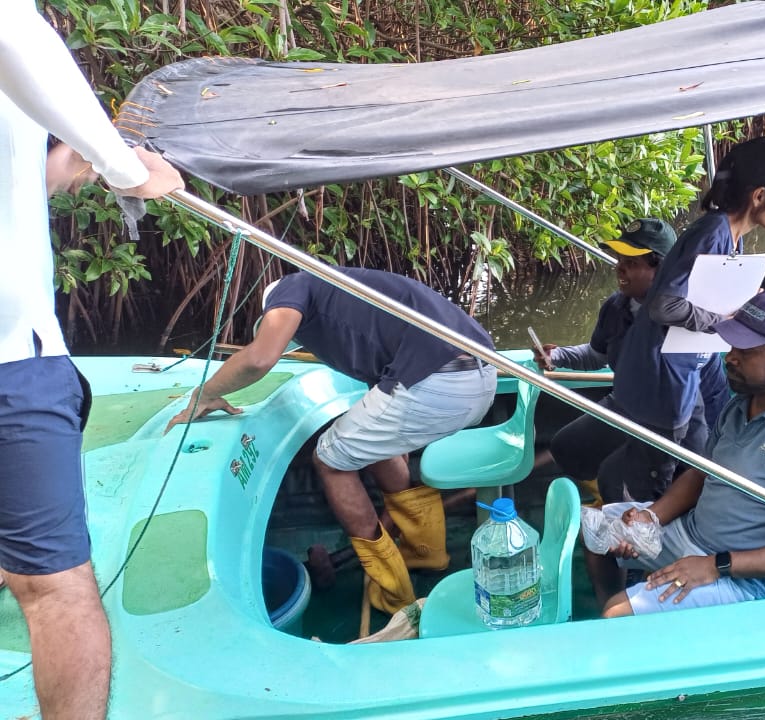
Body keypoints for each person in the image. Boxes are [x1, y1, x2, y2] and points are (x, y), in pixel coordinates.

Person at [1, 5, 184, 719]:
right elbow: (12, 32)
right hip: (12, 363)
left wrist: (71, 162)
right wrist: (124, 166)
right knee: (53, 588)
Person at [166, 268, 497, 614]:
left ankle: (394, 595)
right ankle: (427, 553)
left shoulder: (293, 286)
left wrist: (206, 394)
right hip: (481, 375)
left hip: (436, 382)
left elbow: (260, 358)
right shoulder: (352, 296)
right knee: (366, 444)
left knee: (329, 460)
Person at [585, 290, 765, 617]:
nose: (730, 357)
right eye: (732, 345)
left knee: (617, 613)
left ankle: (618, 621)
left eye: (746, 351)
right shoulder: (744, 402)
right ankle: (610, 625)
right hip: (696, 534)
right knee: (595, 533)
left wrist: (716, 565)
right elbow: (702, 473)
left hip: (750, 580)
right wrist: (651, 517)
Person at [607, 136, 765, 503]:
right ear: (759, 196)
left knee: (702, 454)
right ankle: (643, 527)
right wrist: (722, 320)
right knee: (654, 477)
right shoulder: (713, 232)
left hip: (690, 368)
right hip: (662, 377)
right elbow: (663, 306)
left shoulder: (732, 237)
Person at [536, 219, 726, 504]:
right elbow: (597, 355)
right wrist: (557, 356)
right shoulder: (617, 306)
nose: (620, 268)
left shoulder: (688, 318)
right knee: (567, 446)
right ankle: (612, 497)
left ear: (663, 270)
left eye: (632, 263)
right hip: (629, 403)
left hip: (681, 420)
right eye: (620, 260)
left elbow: (698, 399)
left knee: (616, 479)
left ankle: (644, 507)